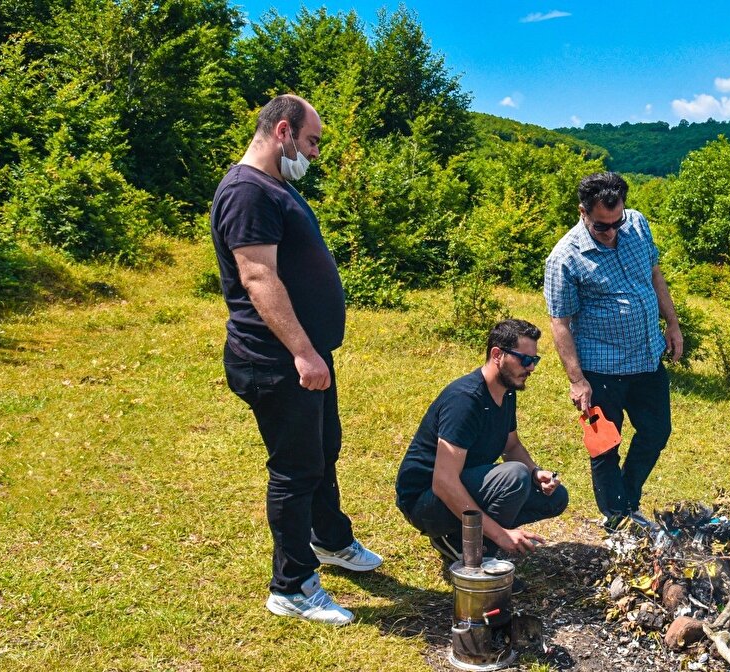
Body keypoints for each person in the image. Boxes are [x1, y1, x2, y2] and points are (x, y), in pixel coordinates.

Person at [211, 94, 382, 627]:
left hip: (305, 355)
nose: (313, 153)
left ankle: (330, 541)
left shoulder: (274, 186)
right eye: (311, 142)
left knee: (324, 449)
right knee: (295, 468)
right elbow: (258, 277)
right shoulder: (246, 192)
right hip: (276, 359)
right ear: (283, 131)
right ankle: (291, 586)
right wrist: (303, 352)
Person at [543, 172, 681, 530]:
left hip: (647, 357)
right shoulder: (564, 258)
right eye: (602, 226)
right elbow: (560, 322)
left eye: (617, 221)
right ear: (582, 212)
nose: (612, 231)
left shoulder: (636, 224)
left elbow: (655, 275)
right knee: (604, 443)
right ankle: (616, 516)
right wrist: (577, 381)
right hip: (600, 369)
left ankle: (627, 499)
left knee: (656, 432)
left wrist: (673, 324)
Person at [395, 319, 568, 589]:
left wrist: (537, 473)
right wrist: (500, 535)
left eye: (535, 359)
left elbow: (511, 446)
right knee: (514, 477)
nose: (531, 367)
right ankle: (472, 555)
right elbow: (443, 482)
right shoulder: (465, 400)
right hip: (425, 501)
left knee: (554, 497)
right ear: (497, 355)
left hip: (462, 483)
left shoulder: (506, 391)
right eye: (524, 359)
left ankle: (462, 535)